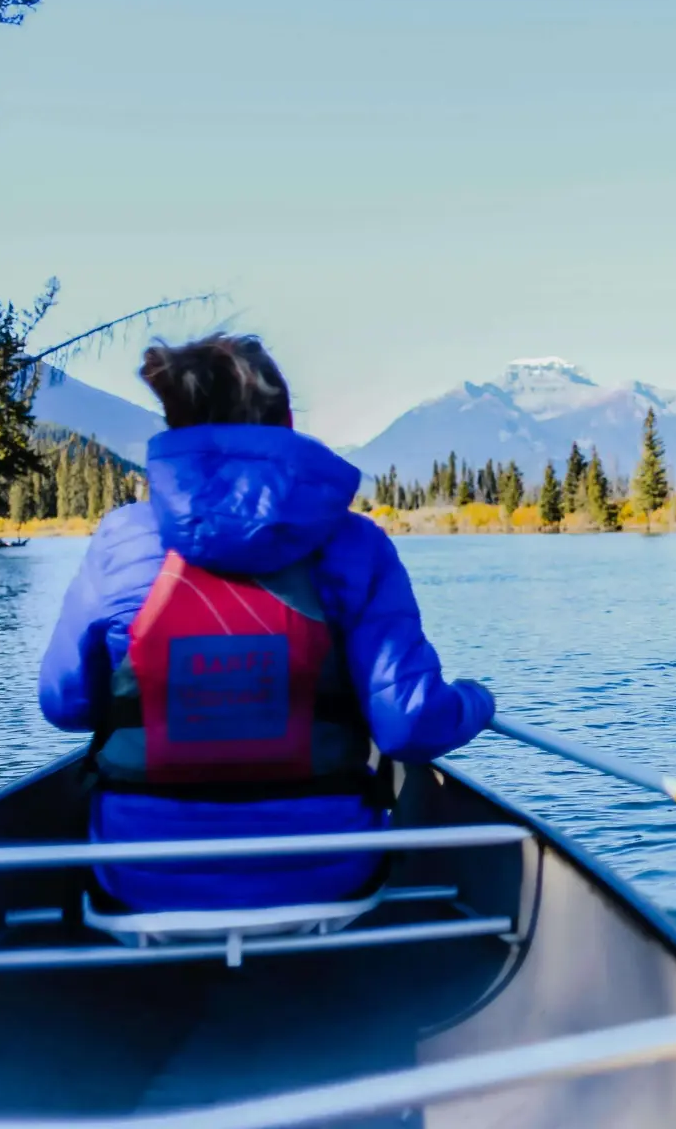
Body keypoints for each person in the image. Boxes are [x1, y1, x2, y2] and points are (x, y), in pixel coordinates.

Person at [38, 334, 495, 912]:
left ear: (174, 423)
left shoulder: (122, 540)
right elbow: (409, 728)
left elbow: (65, 706)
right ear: (287, 421)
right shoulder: (356, 545)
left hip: (141, 874)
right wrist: (479, 701)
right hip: (329, 873)